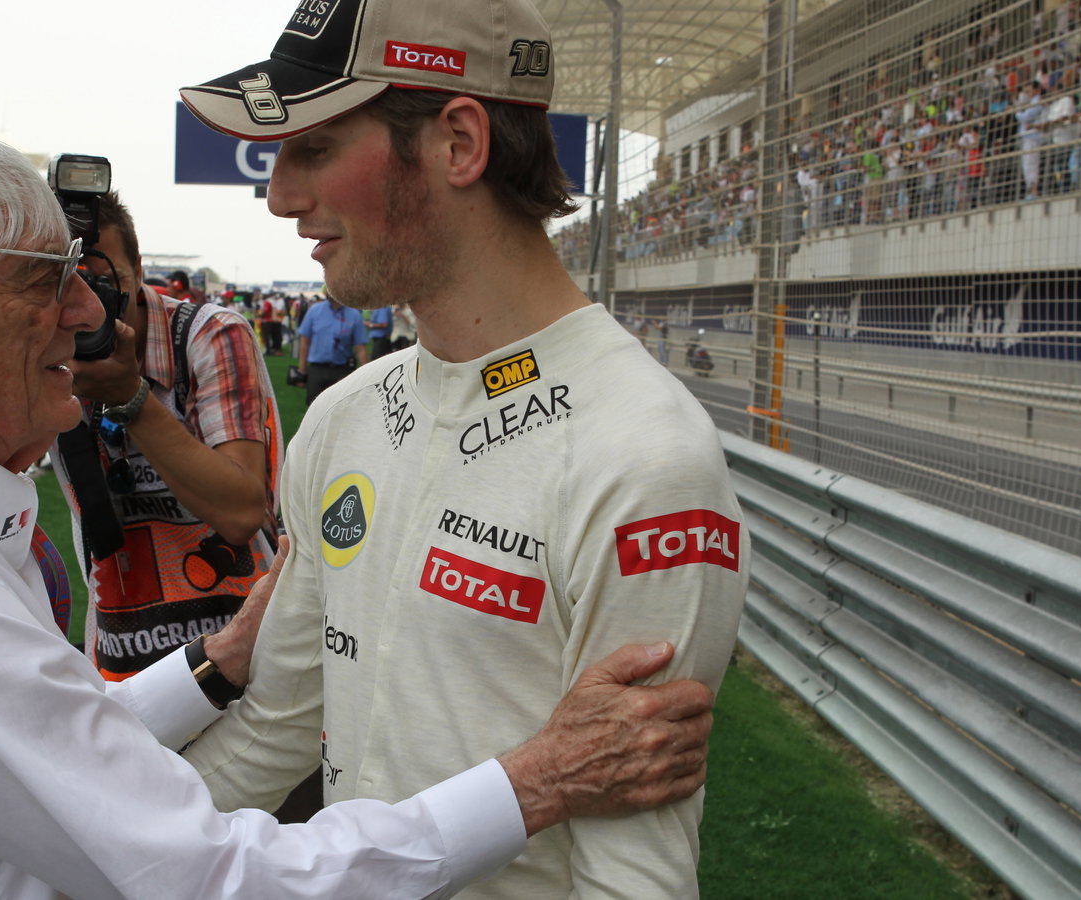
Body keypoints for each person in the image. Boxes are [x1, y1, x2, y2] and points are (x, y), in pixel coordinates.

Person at [0, 113, 720, 900]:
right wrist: (539, 779)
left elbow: (28, 753)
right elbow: (203, 875)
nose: (88, 315)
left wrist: (218, 664)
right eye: (43, 278)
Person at [179, 0, 750, 896]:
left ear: (458, 143)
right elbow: (276, 731)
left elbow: (632, 877)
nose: (282, 194)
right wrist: (88, 861)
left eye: (314, 149)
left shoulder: (644, 457)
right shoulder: (345, 417)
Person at [54, 189, 283, 686]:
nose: (82, 302)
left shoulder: (208, 335)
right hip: (122, 660)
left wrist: (129, 397)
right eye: (59, 279)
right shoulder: (42, 353)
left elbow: (241, 512)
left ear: (135, 268)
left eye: (96, 275)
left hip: (246, 655)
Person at [294, 292, 367, 404]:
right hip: (317, 370)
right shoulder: (314, 311)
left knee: (342, 409)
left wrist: (368, 374)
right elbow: (304, 342)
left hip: (343, 371)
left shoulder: (354, 315)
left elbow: (361, 348)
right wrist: (302, 371)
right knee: (315, 410)